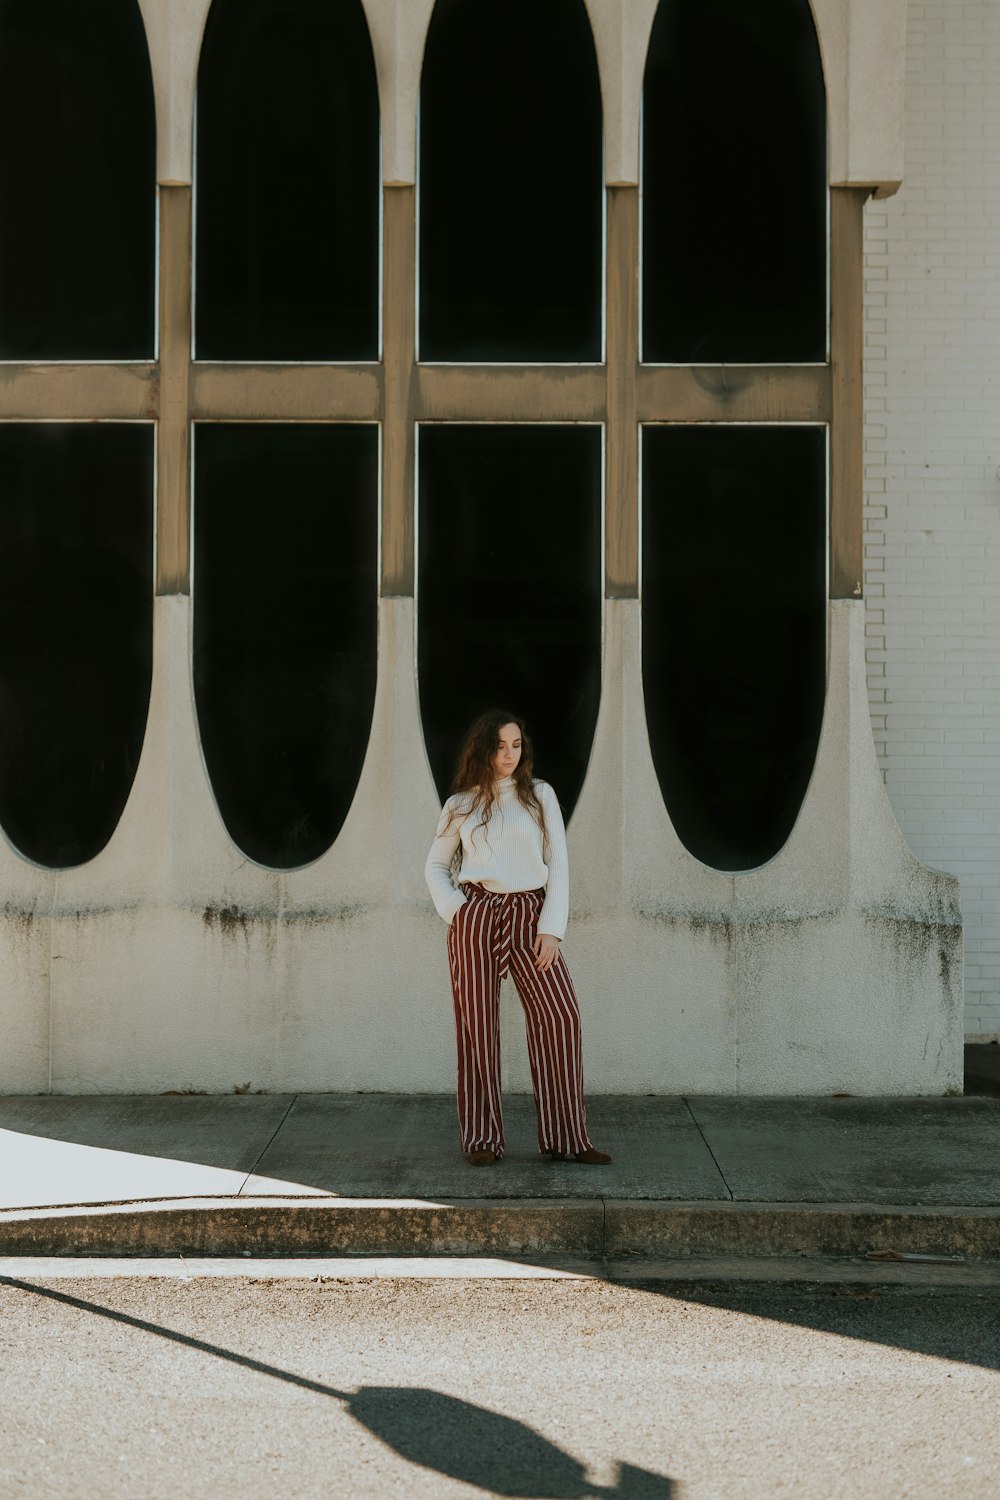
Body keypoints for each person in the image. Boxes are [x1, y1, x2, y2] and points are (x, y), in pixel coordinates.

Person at [425, 709, 611, 1167]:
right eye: (500, 745)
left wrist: (552, 928)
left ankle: (569, 1138)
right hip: (477, 914)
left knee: (561, 1018)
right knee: (476, 1026)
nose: (510, 754)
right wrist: (458, 912)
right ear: (483, 749)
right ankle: (483, 1139)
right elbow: (434, 866)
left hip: (530, 913)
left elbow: (559, 862)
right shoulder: (460, 805)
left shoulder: (539, 796)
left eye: (516, 745)